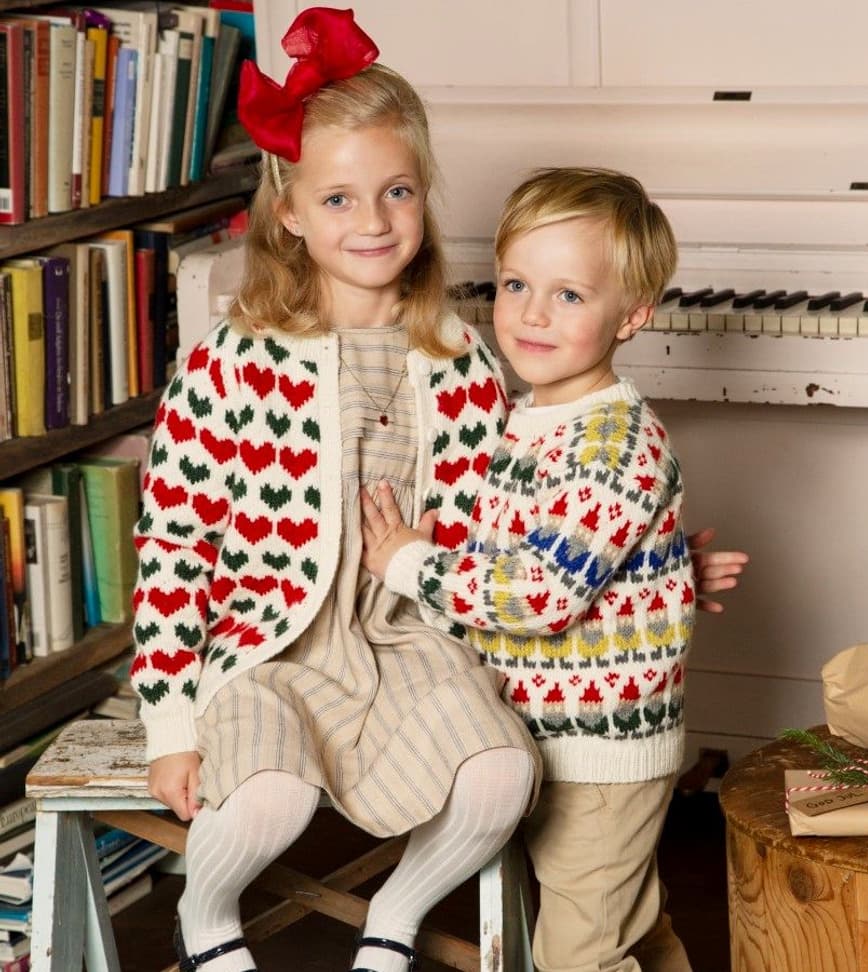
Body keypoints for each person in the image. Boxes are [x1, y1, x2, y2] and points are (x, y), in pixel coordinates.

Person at [130, 10, 545, 972]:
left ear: (423, 196)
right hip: (268, 646)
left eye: (397, 192)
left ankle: (391, 921)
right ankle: (205, 918)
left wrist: (649, 555)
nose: (373, 222)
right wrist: (170, 726)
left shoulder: (460, 359)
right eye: (339, 199)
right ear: (289, 213)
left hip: (408, 637)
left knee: (502, 774)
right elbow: (175, 548)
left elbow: (514, 515)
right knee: (267, 802)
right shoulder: (231, 363)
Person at [361, 166, 748, 972]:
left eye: (569, 295)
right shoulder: (531, 416)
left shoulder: (613, 442)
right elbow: (560, 545)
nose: (533, 313)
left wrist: (410, 564)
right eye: (516, 284)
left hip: (600, 750)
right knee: (628, 927)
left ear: (632, 315)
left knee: (577, 953)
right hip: (544, 733)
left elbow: (540, 593)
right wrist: (662, 568)